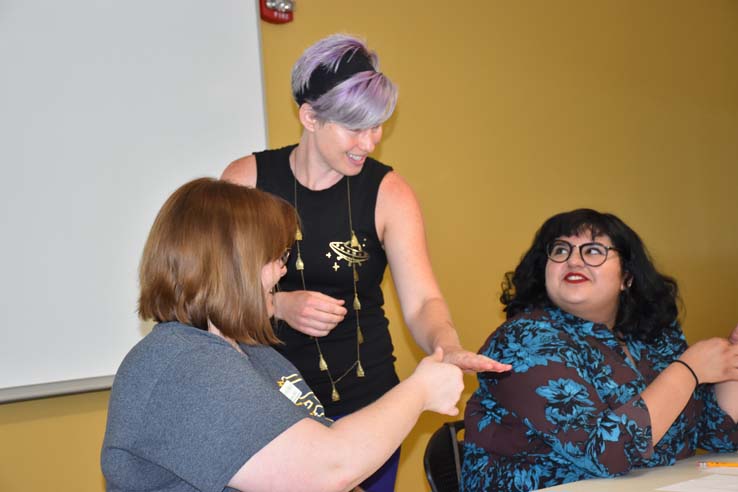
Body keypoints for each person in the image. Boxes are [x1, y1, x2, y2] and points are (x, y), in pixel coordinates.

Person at [222, 34, 510, 490]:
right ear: (309, 116)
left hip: (367, 406)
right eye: (355, 128)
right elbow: (216, 299)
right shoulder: (246, 180)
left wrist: (446, 343)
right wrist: (278, 306)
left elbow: (422, 302)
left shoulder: (389, 192)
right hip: (267, 409)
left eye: (377, 126)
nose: (370, 142)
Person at [100, 178, 465, 492]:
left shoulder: (252, 354)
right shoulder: (182, 366)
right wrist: (419, 391)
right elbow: (325, 470)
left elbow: (330, 463)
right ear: (232, 268)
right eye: (275, 258)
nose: (281, 272)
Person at [461, 208, 738, 491]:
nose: (574, 260)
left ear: (626, 277)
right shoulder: (523, 340)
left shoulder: (656, 337)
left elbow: (717, 434)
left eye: (593, 251)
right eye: (560, 250)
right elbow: (606, 453)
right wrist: (688, 370)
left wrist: (732, 361)